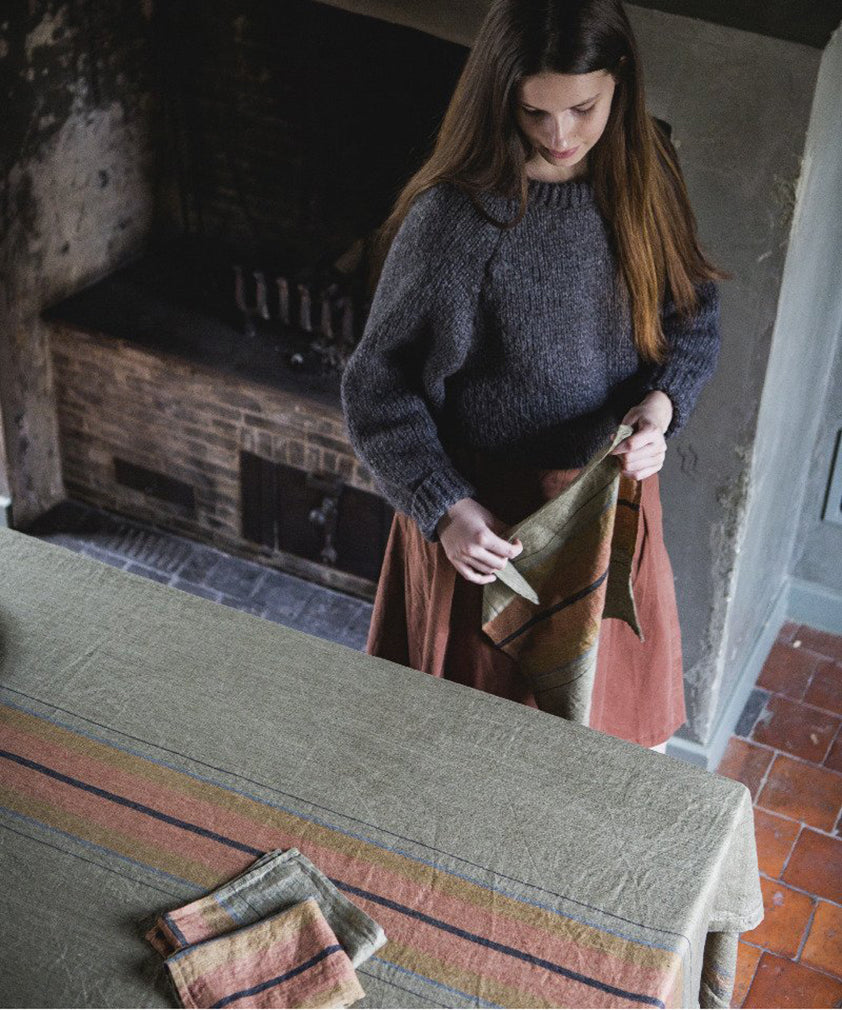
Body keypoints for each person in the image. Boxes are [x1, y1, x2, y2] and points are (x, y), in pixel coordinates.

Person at [340, 0, 723, 753]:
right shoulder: (454, 216)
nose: (559, 136)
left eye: (583, 108)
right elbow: (375, 385)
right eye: (534, 111)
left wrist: (662, 405)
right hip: (488, 528)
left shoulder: (649, 174)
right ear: (501, 96)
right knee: (474, 757)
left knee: (612, 748)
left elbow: (695, 314)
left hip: (608, 507)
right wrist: (444, 507)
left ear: (621, 82)